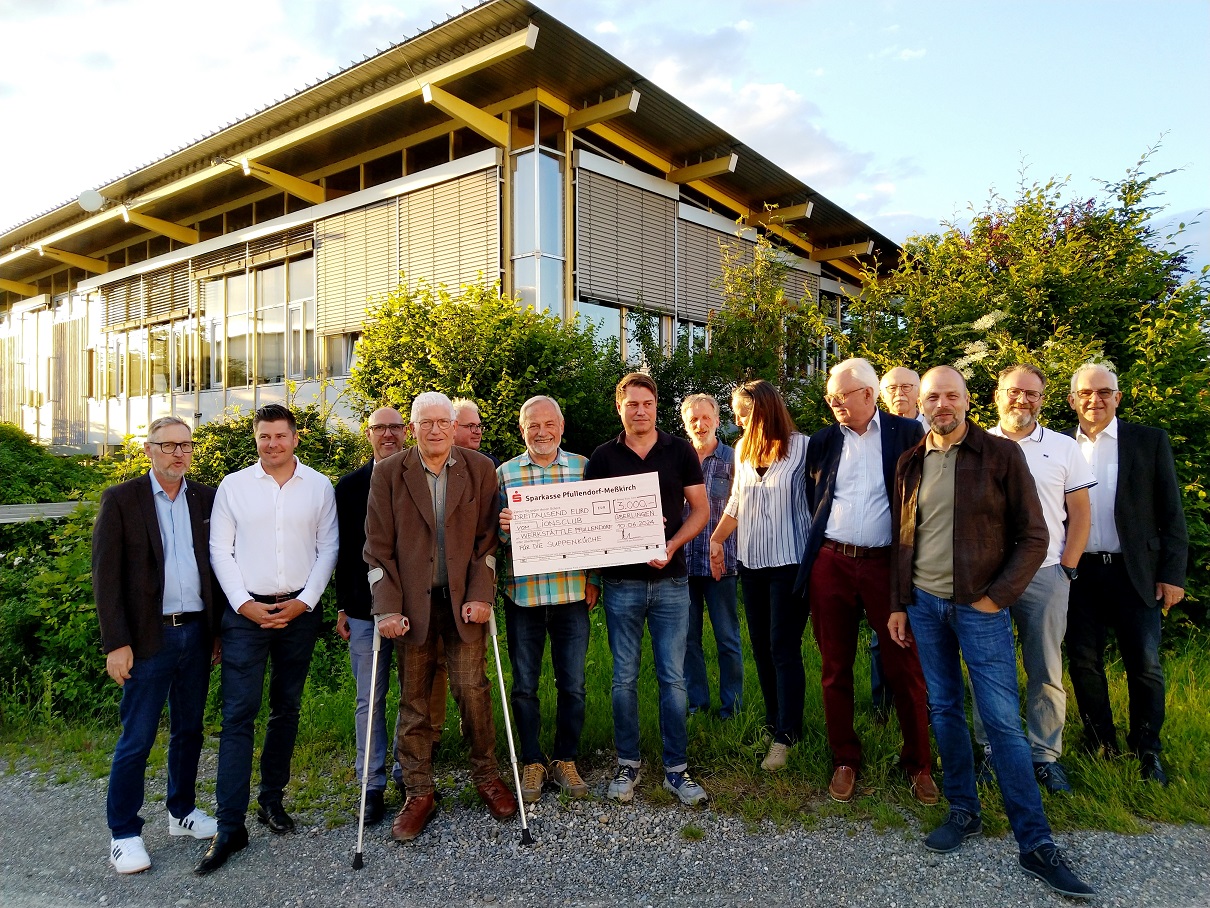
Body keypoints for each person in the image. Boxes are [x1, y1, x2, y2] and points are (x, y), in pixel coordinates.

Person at [887, 366, 1094, 900]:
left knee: (1002, 721)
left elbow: (1035, 534)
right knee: (945, 710)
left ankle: (1036, 842)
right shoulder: (911, 460)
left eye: (951, 395)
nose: (941, 404)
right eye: (932, 397)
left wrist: (994, 599)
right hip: (926, 607)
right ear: (922, 404)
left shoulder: (1000, 455)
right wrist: (899, 605)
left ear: (967, 400)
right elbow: (903, 539)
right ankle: (964, 811)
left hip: (979, 608)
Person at [364, 391, 516, 842]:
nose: (434, 430)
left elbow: (487, 543)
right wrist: (387, 607)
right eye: (425, 423)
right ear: (412, 429)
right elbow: (377, 549)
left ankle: (487, 776)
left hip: (463, 604)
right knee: (414, 702)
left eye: (442, 422)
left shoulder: (480, 469)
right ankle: (419, 792)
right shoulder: (390, 473)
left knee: (473, 691)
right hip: (412, 608)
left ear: (454, 426)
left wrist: (481, 595)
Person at [196, 404, 339, 875]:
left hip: (298, 611)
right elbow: (221, 549)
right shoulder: (233, 487)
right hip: (245, 613)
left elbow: (328, 547)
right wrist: (242, 603)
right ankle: (230, 824)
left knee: (287, 707)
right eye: (264, 437)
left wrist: (305, 602)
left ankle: (272, 801)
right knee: (238, 714)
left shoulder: (318, 486)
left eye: (280, 436)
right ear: (255, 440)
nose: (272, 444)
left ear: (295, 439)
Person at [796, 359, 934, 802]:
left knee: (904, 665)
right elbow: (812, 498)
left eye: (843, 396)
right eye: (830, 397)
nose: (835, 403)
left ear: (869, 395)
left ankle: (919, 763)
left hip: (885, 566)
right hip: (831, 562)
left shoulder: (907, 433)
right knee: (835, 668)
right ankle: (844, 759)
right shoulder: (821, 441)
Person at [93, 416, 225, 874]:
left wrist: (217, 631)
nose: (178, 454)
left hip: (196, 632)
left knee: (189, 730)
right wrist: (117, 643)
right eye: (168, 445)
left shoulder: (206, 498)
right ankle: (124, 832)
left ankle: (181, 812)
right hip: (148, 638)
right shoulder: (122, 500)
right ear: (148, 450)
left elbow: (218, 567)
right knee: (138, 736)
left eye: (186, 446)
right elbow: (106, 579)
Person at [584, 372, 710, 805]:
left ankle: (677, 769)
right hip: (621, 585)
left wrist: (672, 542)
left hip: (672, 582)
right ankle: (628, 764)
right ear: (619, 407)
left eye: (648, 404)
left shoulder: (679, 451)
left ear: (657, 407)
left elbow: (701, 509)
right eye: (632, 404)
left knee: (673, 678)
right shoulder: (602, 458)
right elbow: (590, 522)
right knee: (624, 678)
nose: (640, 411)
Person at [1064, 363, 1187, 784]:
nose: (1094, 400)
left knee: (1146, 664)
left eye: (1104, 392)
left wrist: (1173, 574)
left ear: (1118, 397)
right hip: (1078, 572)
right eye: (1085, 393)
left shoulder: (1148, 441)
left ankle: (1147, 748)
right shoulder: (1061, 446)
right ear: (1072, 400)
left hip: (1135, 571)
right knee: (1083, 661)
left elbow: (1172, 513)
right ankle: (1100, 740)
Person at [976, 365, 1094, 794]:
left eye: (1032, 393)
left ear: (1043, 399)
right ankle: (992, 751)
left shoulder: (1063, 448)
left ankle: (1045, 755)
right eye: (1014, 392)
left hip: (1045, 574)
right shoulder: (976, 444)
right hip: (985, 578)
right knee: (989, 668)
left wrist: (1067, 567)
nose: (1022, 400)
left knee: (1045, 668)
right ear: (996, 396)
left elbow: (1080, 513)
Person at [334, 407, 449, 825]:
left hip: (416, 609)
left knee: (414, 695)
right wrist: (344, 606)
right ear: (368, 434)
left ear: (408, 431)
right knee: (371, 697)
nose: (388, 434)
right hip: (367, 612)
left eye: (395, 427)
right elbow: (345, 554)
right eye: (380, 428)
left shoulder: (423, 475)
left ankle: (409, 773)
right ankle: (372, 783)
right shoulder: (348, 487)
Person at [496, 395, 598, 803]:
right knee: (525, 686)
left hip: (572, 592)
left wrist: (594, 580)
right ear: (522, 430)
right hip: (523, 595)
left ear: (561, 426)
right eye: (532, 425)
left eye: (548, 424)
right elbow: (494, 540)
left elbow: (598, 530)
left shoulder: (583, 468)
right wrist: (504, 528)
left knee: (573, 684)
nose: (541, 432)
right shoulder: (504, 474)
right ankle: (533, 760)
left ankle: (566, 759)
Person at [709, 380, 809, 772]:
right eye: (735, 412)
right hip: (751, 563)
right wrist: (717, 541)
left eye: (743, 412)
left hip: (790, 562)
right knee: (762, 647)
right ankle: (774, 723)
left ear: (766, 408)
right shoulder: (742, 449)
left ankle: (788, 734)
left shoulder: (802, 447)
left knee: (783, 646)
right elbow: (736, 500)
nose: (737, 420)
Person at [679, 393, 742, 720]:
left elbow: (741, 508)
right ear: (685, 423)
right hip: (683, 566)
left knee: (727, 639)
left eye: (707, 418)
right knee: (688, 642)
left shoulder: (733, 460)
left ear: (718, 421)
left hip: (721, 564)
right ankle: (697, 705)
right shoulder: (677, 460)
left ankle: (733, 708)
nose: (700, 425)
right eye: (694, 419)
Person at [871, 364, 926, 716]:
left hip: (924, 548)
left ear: (919, 392)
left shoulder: (930, 430)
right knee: (882, 631)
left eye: (907, 386)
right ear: (880, 394)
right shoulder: (872, 432)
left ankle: (927, 703)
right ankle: (883, 704)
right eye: (892, 388)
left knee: (925, 632)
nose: (900, 394)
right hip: (883, 548)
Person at [452, 397, 501, 467]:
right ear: (453, 427)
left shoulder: (489, 463)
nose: (478, 432)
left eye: (479, 426)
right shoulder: (439, 462)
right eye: (470, 425)